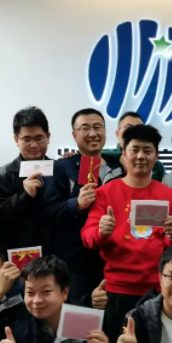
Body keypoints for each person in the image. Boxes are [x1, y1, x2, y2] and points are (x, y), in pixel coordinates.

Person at [81, 124, 172, 342]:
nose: (140, 156)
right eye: (135, 149)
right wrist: (101, 231)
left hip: (156, 289)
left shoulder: (167, 195)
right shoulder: (105, 192)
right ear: (124, 154)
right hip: (116, 289)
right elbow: (88, 238)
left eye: (147, 151)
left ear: (156, 156)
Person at [42, 108, 123, 306]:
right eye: (85, 128)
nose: (93, 133)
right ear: (74, 135)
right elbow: (48, 212)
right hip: (77, 263)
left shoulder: (120, 167)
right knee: (80, 317)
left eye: (98, 127)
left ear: (105, 131)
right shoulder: (61, 167)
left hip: (116, 259)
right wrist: (76, 204)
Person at [0, 106, 52, 252]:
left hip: (56, 253)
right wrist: (24, 196)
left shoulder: (59, 170)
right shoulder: (4, 174)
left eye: (39, 138)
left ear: (48, 137)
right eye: (27, 139)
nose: (34, 145)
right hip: (19, 255)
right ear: (16, 139)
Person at [102, 111, 166, 181]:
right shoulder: (105, 159)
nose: (134, 133)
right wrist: (119, 156)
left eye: (139, 129)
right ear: (117, 134)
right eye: (128, 128)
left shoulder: (156, 166)